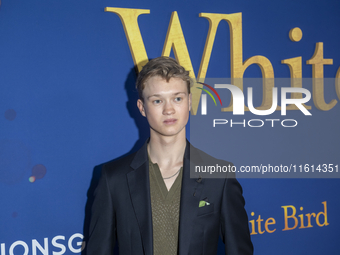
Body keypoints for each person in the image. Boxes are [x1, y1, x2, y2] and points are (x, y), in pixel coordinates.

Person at [86, 56, 253, 255]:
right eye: (157, 100)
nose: (169, 109)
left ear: (189, 101)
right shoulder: (113, 178)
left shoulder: (219, 175)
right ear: (142, 108)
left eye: (177, 98)